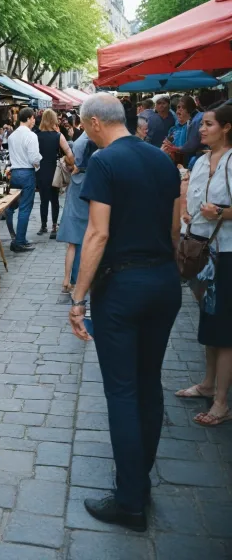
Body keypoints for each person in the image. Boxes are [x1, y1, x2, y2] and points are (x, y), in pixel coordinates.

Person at [69, 93, 181, 531]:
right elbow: (174, 228)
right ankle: (139, 479)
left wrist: (78, 298)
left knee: (122, 391)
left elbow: (97, 235)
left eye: (83, 126)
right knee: (148, 383)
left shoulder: (104, 161)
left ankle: (130, 498)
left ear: (95, 123)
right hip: (162, 280)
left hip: (122, 286)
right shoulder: (161, 160)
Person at [176, 105, 232, 426]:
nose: (201, 128)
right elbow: (192, 202)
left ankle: (221, 402)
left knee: (224, 327)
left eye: (208, 124)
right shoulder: (199, 161)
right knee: (209, 320)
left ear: (226, 127)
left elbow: (220, 209)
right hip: (201, 253)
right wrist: (187, 210)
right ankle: (208, 383)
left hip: (226, 254)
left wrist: (221, 213)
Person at [56, 131, 96, 292]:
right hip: (86, 212)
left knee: (72, 245)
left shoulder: (75, 176)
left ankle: (67, 279)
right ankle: (80, 278)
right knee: (85, 244)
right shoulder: (92, 177)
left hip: (73, 209)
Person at [5, 107, 42, 253]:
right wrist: (39, 162)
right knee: (25, 207)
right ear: (28, 118)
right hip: (27, 172)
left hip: (15, 172)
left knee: (13, 205)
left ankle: (17, 236)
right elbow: (34, 158)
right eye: (33, 118)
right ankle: (19, 241)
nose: (34, 121)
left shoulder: (12, 136)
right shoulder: (31, 136)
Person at [35, 109, 74, 239]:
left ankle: (43, 225)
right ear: (53, 120)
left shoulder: (36, 135)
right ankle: (54, 226)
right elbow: (69, 153)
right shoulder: (58, 136)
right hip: (54, 170)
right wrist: (69, 164)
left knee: (43, 199)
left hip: (41, 170)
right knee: (54, 199)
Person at [163, 95, 204, 166]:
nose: (180, 110)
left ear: (190, 110)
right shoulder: (173, 129)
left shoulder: (195, 123)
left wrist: (176, 149)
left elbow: (191, 146)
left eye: (184, 107)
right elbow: (167, 145)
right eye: (178, 107)